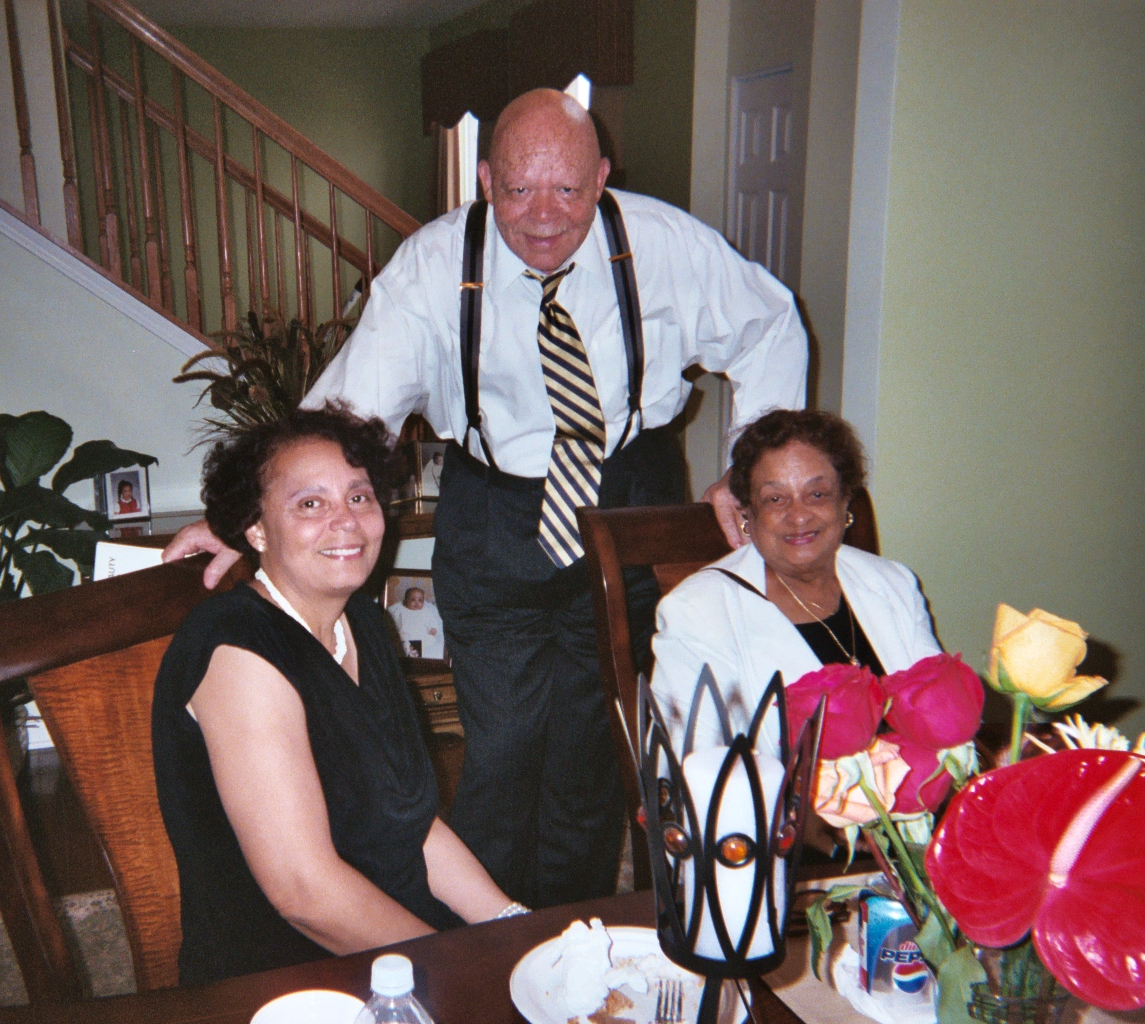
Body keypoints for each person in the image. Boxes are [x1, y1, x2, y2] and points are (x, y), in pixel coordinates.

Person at [164, 88, 806, 906]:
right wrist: (247, 519)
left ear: (602, 177)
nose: (543, 217)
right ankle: (486, 935)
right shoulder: (434, 266)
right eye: (518, 190)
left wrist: (753, 472)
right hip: (496, 510)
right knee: (502, 746)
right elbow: (350, 409)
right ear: (485, 179)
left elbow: (771, 325)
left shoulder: (666, 246)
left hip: (628, 497)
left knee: (592, 744)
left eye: (568, 190)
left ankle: (570, 928)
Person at [152, 406, 518, 985]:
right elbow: (305, 895)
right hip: (286, 978)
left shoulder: (362, 623)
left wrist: (510, 926)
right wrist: (463, 970)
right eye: (310, 504)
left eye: (359, 496)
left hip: (398, 944)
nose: (346, 521)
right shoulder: (238, 650)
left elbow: (414, 826)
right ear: (255, 530)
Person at [650, 410, 941, 753]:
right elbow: (693, 764)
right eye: (775, 499)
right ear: (747, 515)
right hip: (778, 790)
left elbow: (942, 715)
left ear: (845, 501)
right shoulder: (696, 612)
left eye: (817, 494)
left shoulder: (893, 583)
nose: (799, 515)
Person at [388, 585, 445, 658]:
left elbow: (431, 621)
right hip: (407, 636)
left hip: (422, 637)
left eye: (420, 600)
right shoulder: (401, 610)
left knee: (429, 641)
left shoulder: (426, 611)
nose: (417, 603)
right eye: (413, 600)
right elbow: (395, 622)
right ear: (406, 600)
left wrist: (433, 629)